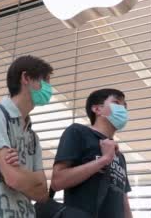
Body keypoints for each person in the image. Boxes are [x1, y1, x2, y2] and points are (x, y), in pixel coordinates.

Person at [0, 55, 53, 217]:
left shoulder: (33, 137)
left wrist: (21, 173)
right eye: (45, 81)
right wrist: (34, 178)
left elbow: (43, 193)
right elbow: (13, 178)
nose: (49, 88)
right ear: (26, 78)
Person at [52, 88, 133, 217]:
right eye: (117, 103)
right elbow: (57, 181)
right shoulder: (78, 132)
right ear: (97, 109)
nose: (123, 110)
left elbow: (123, 200)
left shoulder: (119, 155)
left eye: (125, 106)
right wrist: (104, 160)